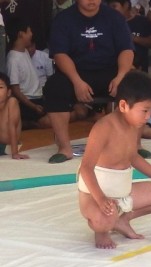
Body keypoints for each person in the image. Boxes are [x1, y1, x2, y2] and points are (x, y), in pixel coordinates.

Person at [78, 71, 151, 249]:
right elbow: (86, 168)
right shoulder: (103, 128)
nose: (148, 116)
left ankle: (123, 220)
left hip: (123, 192)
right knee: (103, 220)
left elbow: (133, 157)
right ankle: (102, 230)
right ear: (123, 105)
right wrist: (100, 199)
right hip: (95, 193)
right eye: (144, 111)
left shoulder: (134, 125)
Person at [43, 0, 134, 164]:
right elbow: (60, 54)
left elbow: (126, 50)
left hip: (110, 71)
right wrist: (77, 81)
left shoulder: (114, 18)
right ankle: (64, 147)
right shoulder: (64, 19)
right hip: (75, 72)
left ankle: (135, 144)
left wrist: (120, 76)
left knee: (136, 85)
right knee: (54, 88)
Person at [6, 19, 51, 129]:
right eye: (29, 31)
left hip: (39, 97)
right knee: (50, 121)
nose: (31, 34)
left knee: (59, 114)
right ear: (21, 34)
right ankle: (28, 124)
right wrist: (34, 107)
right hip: (28, 102)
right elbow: (15, 90)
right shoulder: (13, 59)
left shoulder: (25, 51)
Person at [107, 0, 151, 73]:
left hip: (140, 71)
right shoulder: (107, 24)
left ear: (125, 5)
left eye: (114, 6)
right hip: (114, 71)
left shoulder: (142, 21)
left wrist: (133, 38)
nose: (111, 10)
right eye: (109, 8)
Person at [0, 72, 29, 159]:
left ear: (8, 92)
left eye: (0, 87)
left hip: (8, 146)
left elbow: (12, 126)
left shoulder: (11, 102)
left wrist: (15, 153)